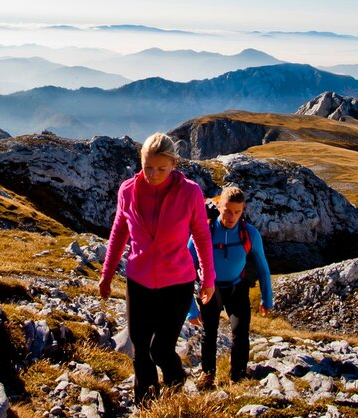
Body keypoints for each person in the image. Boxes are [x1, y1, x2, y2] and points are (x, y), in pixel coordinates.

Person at [99, 132, 216, 405]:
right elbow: (119, 233)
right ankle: (147, 406)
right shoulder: (127, 190)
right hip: (138, 282)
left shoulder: (190, 192)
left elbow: (201, 235)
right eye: (148, 167)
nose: (153, 174)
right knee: (140, 351)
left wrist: (208, 278)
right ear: (140, 162)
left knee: (161, 350)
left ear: (174, 164)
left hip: (177, 284)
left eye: (161, 168)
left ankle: (176, 386)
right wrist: (107, 274)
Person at [187, 185, 273, 388]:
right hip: (210, 289)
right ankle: (207, 377)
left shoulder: (249, 234)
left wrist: (267, 298)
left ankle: (238, 377)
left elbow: (263, 268)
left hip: (237, 288)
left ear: (243, 209)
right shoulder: (202, 231)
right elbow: (184, 271)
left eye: (237, 212)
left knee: (241, 332)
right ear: (218, 206)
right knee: (210, 334)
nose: (231, 216)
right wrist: (190, 310)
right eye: (227, 210)